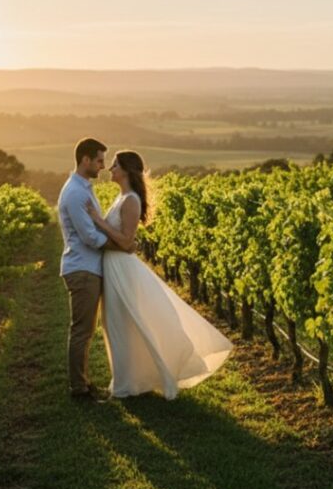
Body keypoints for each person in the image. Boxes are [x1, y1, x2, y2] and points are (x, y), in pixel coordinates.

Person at [86, 150, 233, 400]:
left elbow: (126, 241)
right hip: (114, 266)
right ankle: (129, 381)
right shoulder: (122, 197)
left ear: (127, 171)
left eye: (115, 165)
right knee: (117, 324)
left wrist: (98, 222)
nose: (110, 169)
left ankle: (126, 386)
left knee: (125, 323)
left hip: (122, 267)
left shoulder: (131, 200)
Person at [57, 137, 133, 400]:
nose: (103, 166)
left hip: (88, 267)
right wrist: (121, 245)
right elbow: (90, 237)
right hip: (83, 268)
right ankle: (78, 388)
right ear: (85, 160)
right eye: (99, 160)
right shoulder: (76, 192)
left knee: (85, 330)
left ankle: (83, 383)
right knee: (81, 330)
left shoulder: (83, 187)